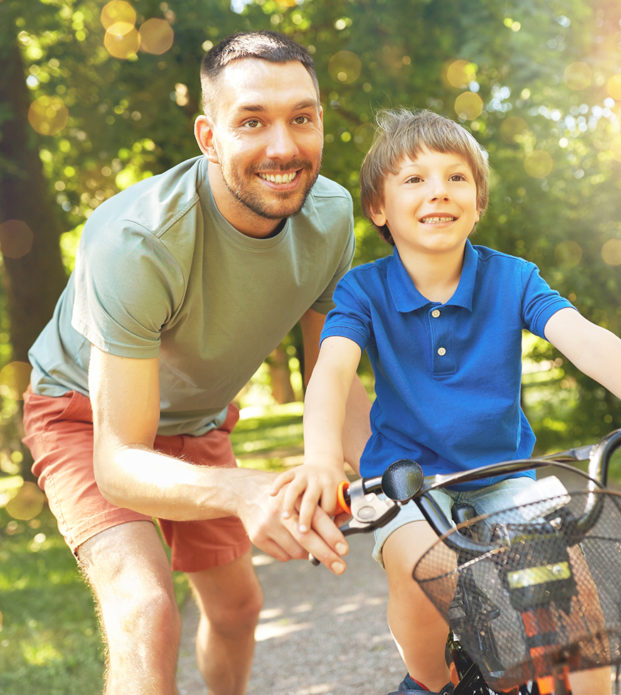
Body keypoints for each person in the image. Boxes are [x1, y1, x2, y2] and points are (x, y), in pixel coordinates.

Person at [274, 109, 621, 695]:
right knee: (420, 568)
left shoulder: (512, 279)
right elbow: (333, 369)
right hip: (410, 483)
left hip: (505, 475)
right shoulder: (363, 290)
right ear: (378, 208)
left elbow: (584, 339)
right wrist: (318, 458)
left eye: (456, 177)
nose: (438, 190)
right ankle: (430, 680)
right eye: (414, 179)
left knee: (573, 601)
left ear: (478, 202)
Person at [22, 31, 370, 695]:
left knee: (238, 609)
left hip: (196, 420)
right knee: (146, 609)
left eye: (302, 117)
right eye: (252, 122)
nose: (283, 146)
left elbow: (334, 377)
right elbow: (118, 461)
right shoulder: (136, 239)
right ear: (209, 137)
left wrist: (415, 472)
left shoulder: (330, 217)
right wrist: (244, 491)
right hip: (85, 417)